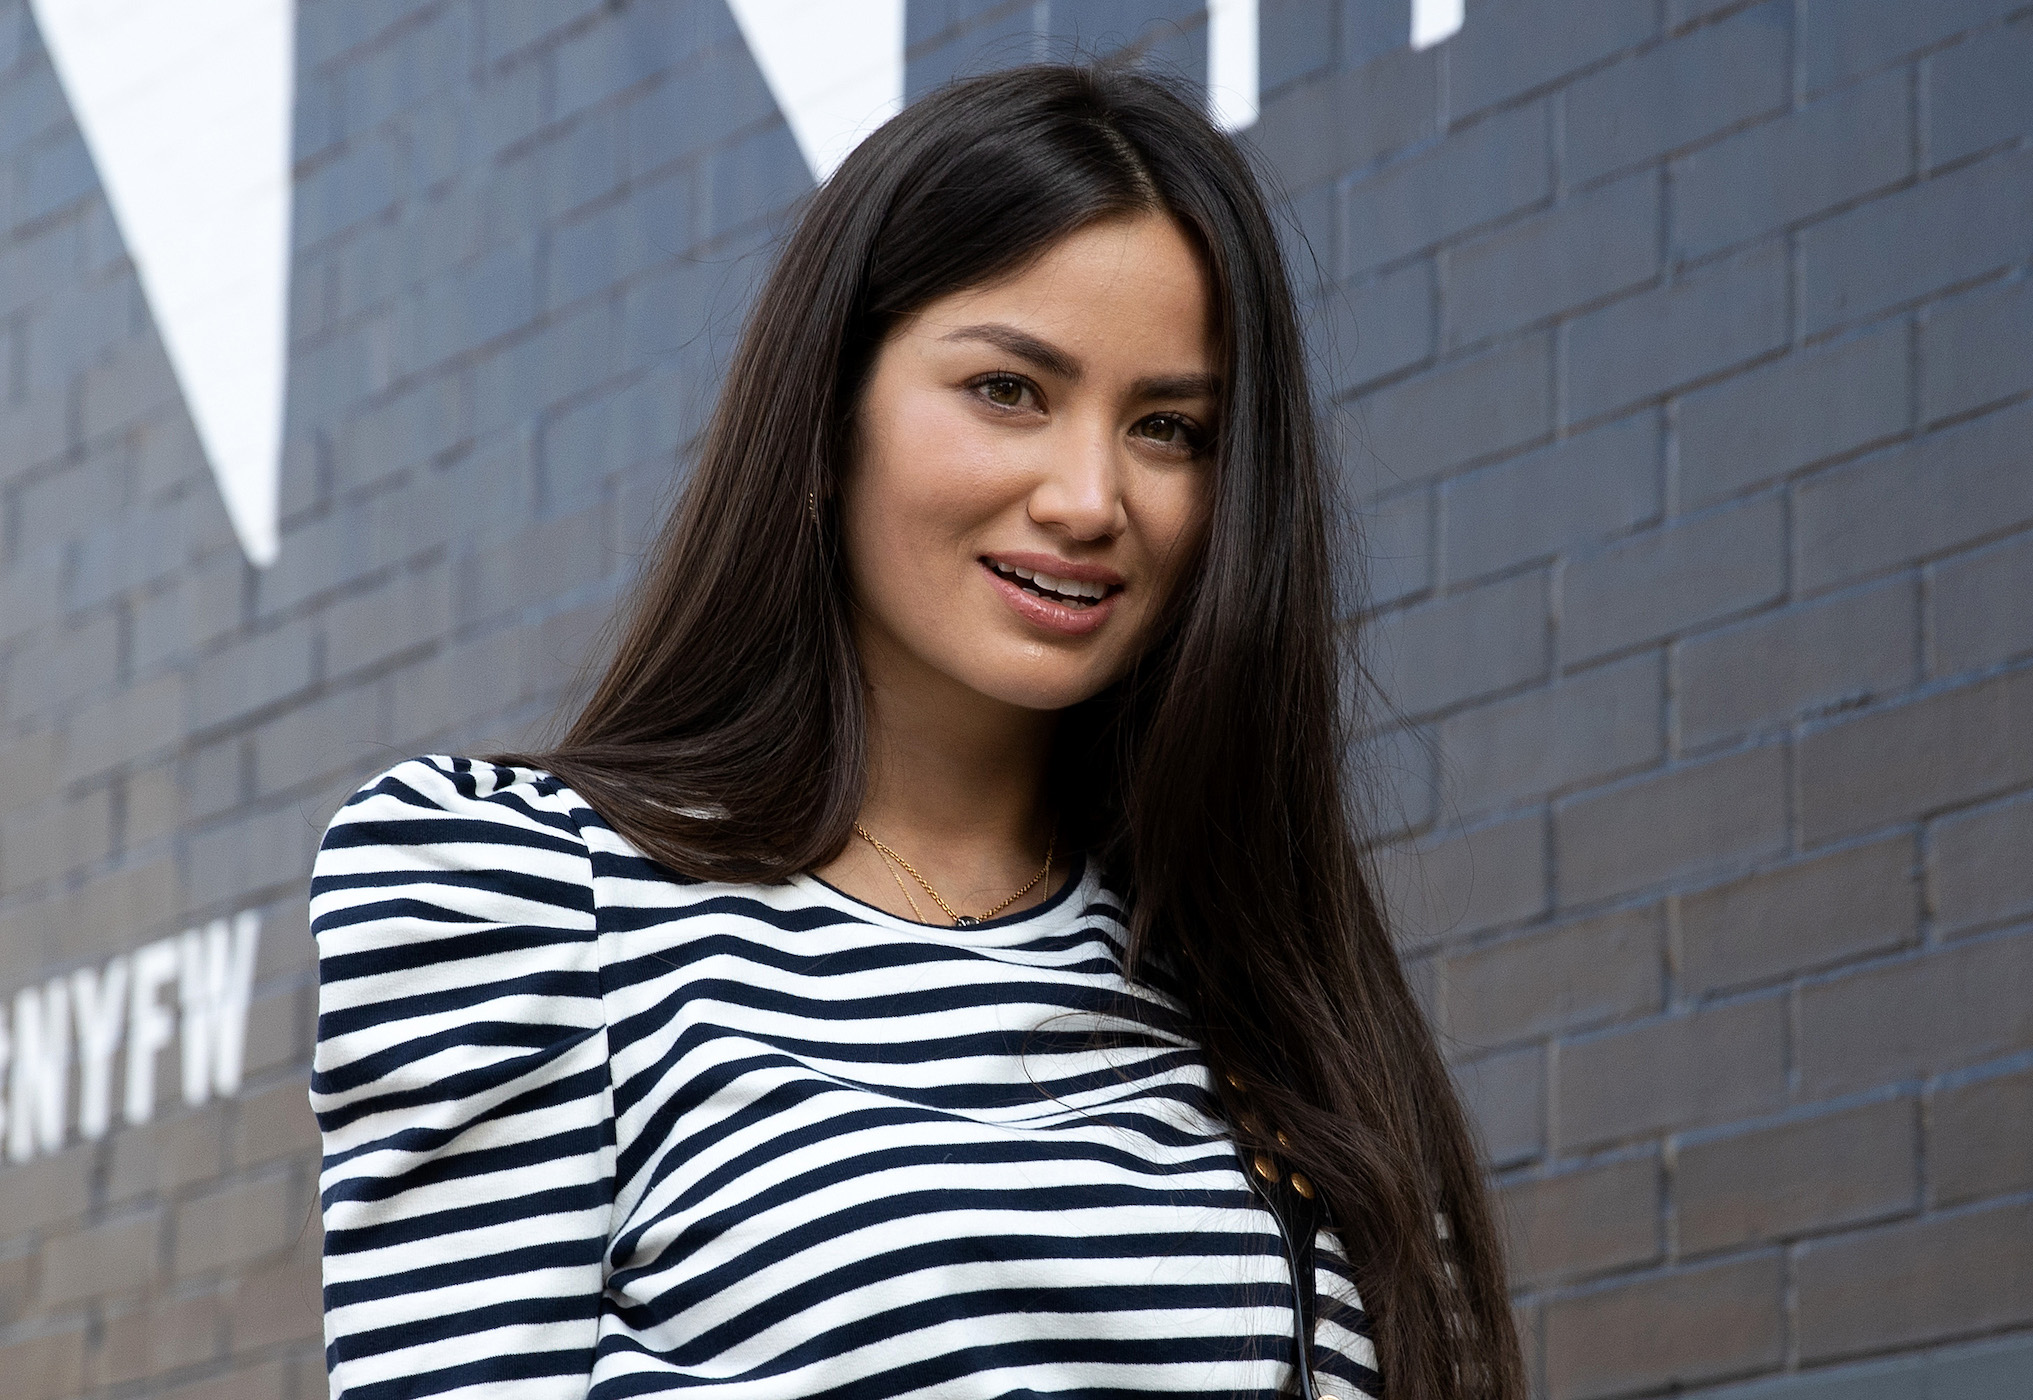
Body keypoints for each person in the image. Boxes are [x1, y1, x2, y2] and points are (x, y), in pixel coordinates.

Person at [309, 64, 1520, 1400]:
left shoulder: (1270, 987)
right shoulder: (525, 885)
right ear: (829, 419)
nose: (1088, 496)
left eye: (1171, 428)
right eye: (1009, 390)